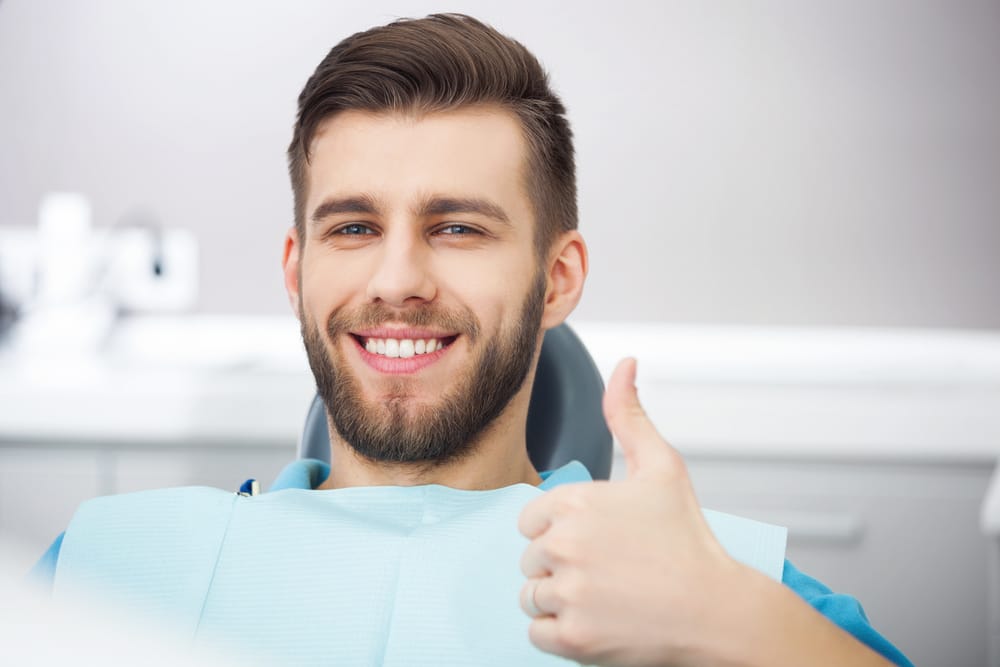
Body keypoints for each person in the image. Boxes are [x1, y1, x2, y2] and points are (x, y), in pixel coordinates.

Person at [33, 13, 912, 667]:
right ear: (296, 270)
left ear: (558, 277)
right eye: (352, 228)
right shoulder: (108, 561)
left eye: (457, 228)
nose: (397, 279)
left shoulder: (717, 589)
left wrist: (727, 614)